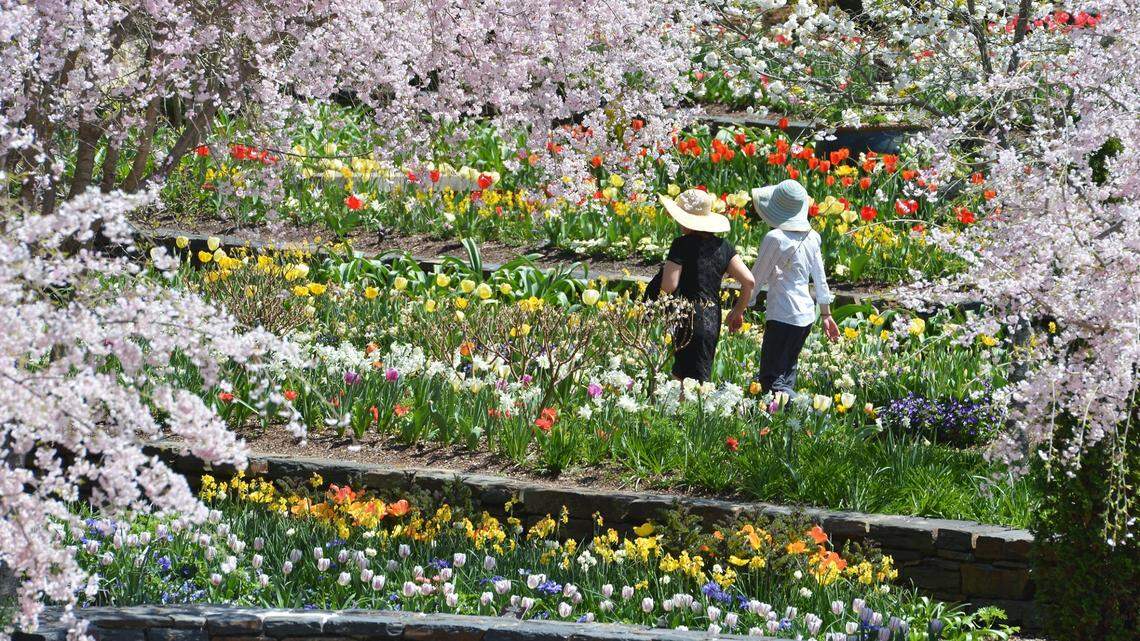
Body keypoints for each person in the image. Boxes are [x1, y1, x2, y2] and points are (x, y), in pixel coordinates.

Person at [748, 179, 839, 395]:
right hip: (806, 316)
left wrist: (743, 305)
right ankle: (786, 422)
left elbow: (756, 277)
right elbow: (820, 278)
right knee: (786, 374)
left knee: (771, 379)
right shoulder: (812, 237)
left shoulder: (775, 238)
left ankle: (801, 411)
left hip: (782, 313)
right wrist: (826, 314)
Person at [657, 188, 756, 382]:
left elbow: (669, 286)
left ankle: (679, 412)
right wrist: (737, 311)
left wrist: (660, 309)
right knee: (700, 374)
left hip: (687, 315)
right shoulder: (724, 246)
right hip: (712, 316)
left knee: (683, 377)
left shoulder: (681, 245)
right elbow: (749, 281)